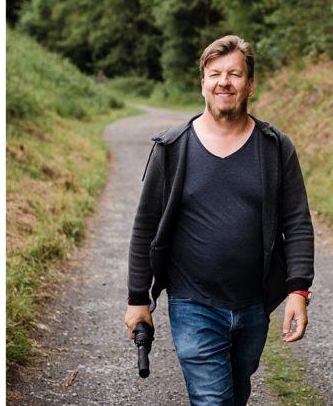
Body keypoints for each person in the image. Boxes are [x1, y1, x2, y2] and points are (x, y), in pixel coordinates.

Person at [125, 35, 314, 406]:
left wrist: (298, 290)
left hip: (254, 304)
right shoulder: (173, 148)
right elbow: (145, 226)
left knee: (235, 395)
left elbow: (297, 222)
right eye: (215, 74)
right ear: (202, 83)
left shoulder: (275, 148)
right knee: (213, 400)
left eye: (234, 74)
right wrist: (137, 298)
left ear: (250, 84)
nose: (224, 82)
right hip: (192, 302)